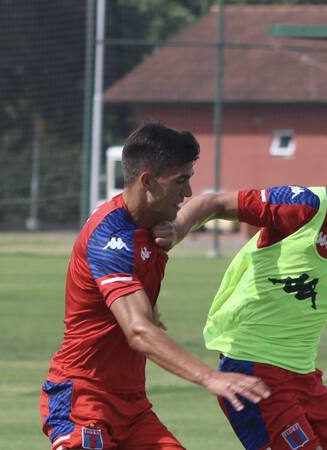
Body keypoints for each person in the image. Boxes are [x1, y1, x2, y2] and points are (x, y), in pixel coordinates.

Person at [158, 141, 327, 450]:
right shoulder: (306, 207)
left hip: (302, 376)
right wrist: (177, 229)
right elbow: (214, 203)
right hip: (251, 368)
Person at [39, 123, 270, 450]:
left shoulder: (152, 228)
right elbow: (138, 331)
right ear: (147, 181)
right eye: (180, 181)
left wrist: (179, 230)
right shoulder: (110, 238)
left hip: (132, 408)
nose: (186, 192)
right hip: (83, 397)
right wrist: (210, 377)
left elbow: (204, 204)